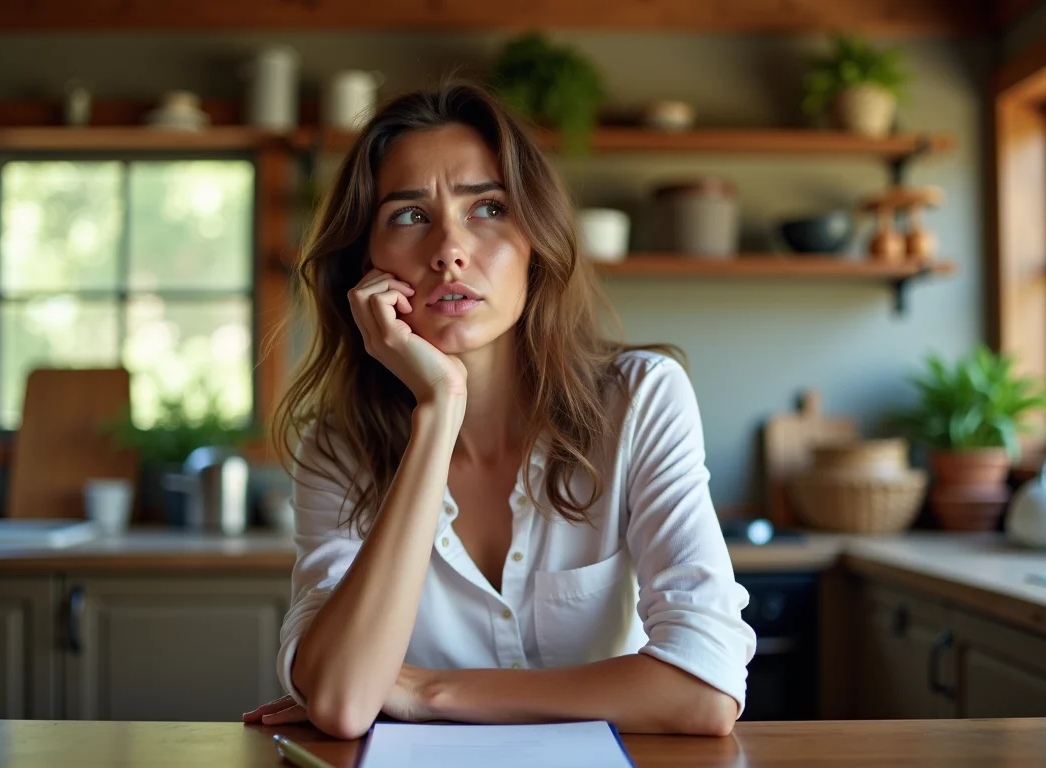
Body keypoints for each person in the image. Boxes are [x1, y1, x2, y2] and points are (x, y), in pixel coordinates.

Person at [242, 81, 755, 739]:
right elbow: (343, 703)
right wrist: (439, 407)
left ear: (535, 239)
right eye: (408, 215)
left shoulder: (639, 399)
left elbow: (706, 689)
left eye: (487, 208)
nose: (449, 250)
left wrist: (426, 690)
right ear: (365, 264)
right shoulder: (337, 446)